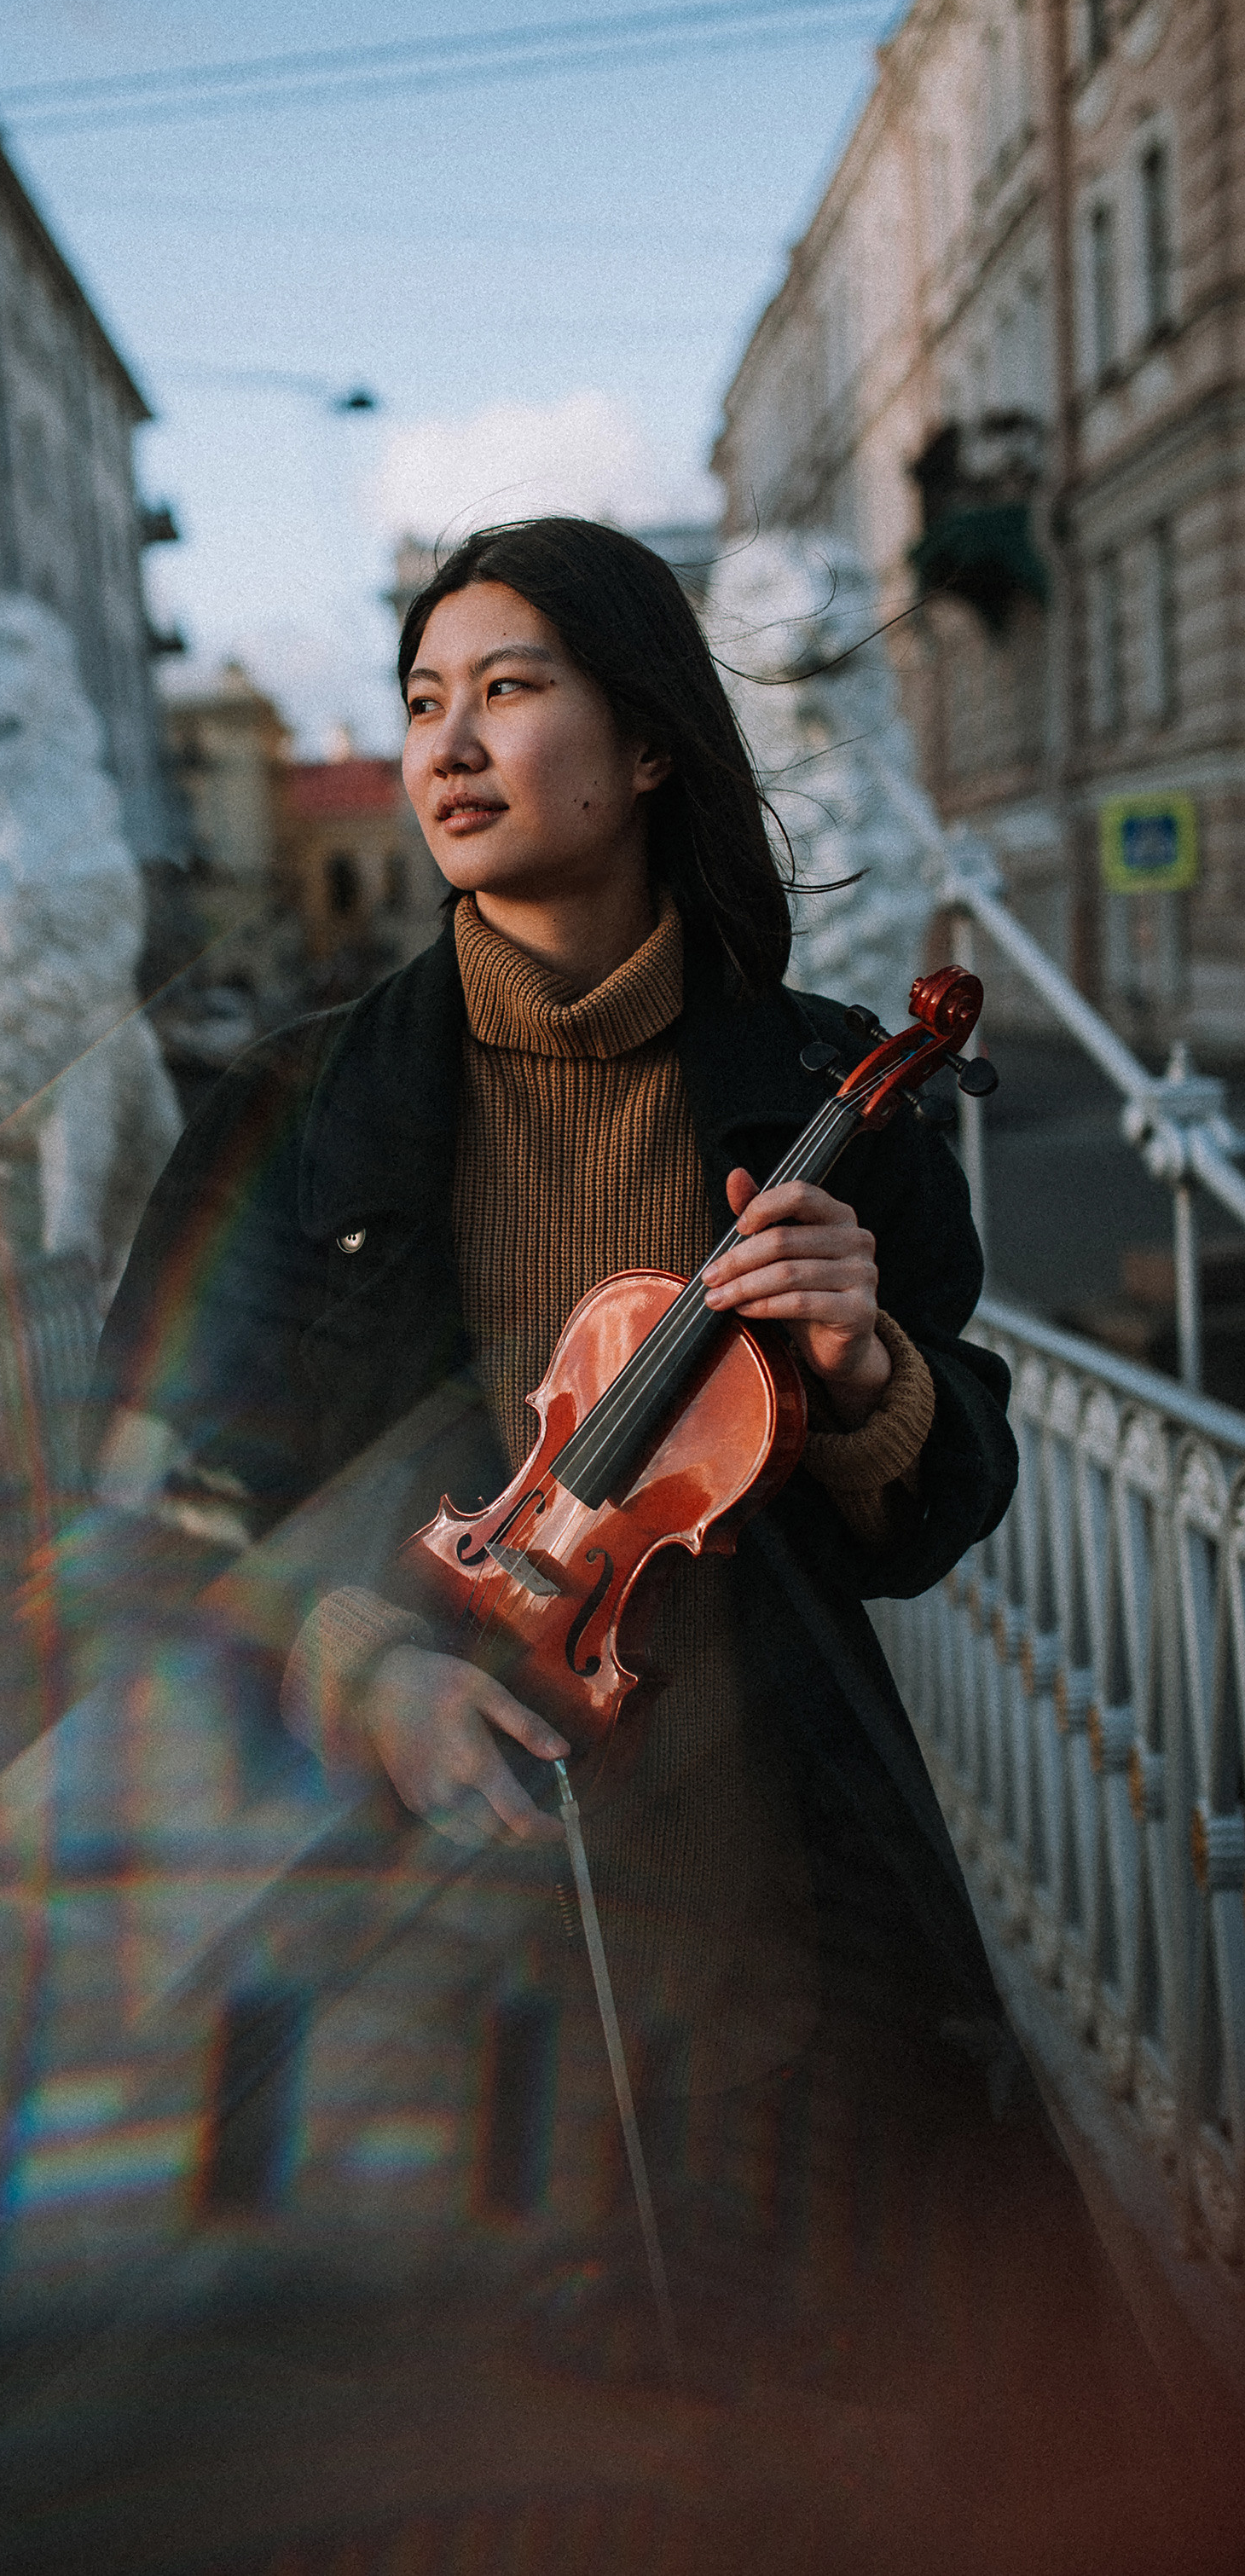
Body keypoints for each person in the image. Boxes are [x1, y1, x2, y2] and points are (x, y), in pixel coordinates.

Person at [92, 519, 1167, 2521]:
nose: (448, 746)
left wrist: (862, 1377)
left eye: (508, 688)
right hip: (414, 1924)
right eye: (421, 702)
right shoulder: (288, 1113)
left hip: (771, 1885)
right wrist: (360, 1673)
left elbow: (942, 1510)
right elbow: (154, 1503)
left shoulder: (835, 1084)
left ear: (651, 738)